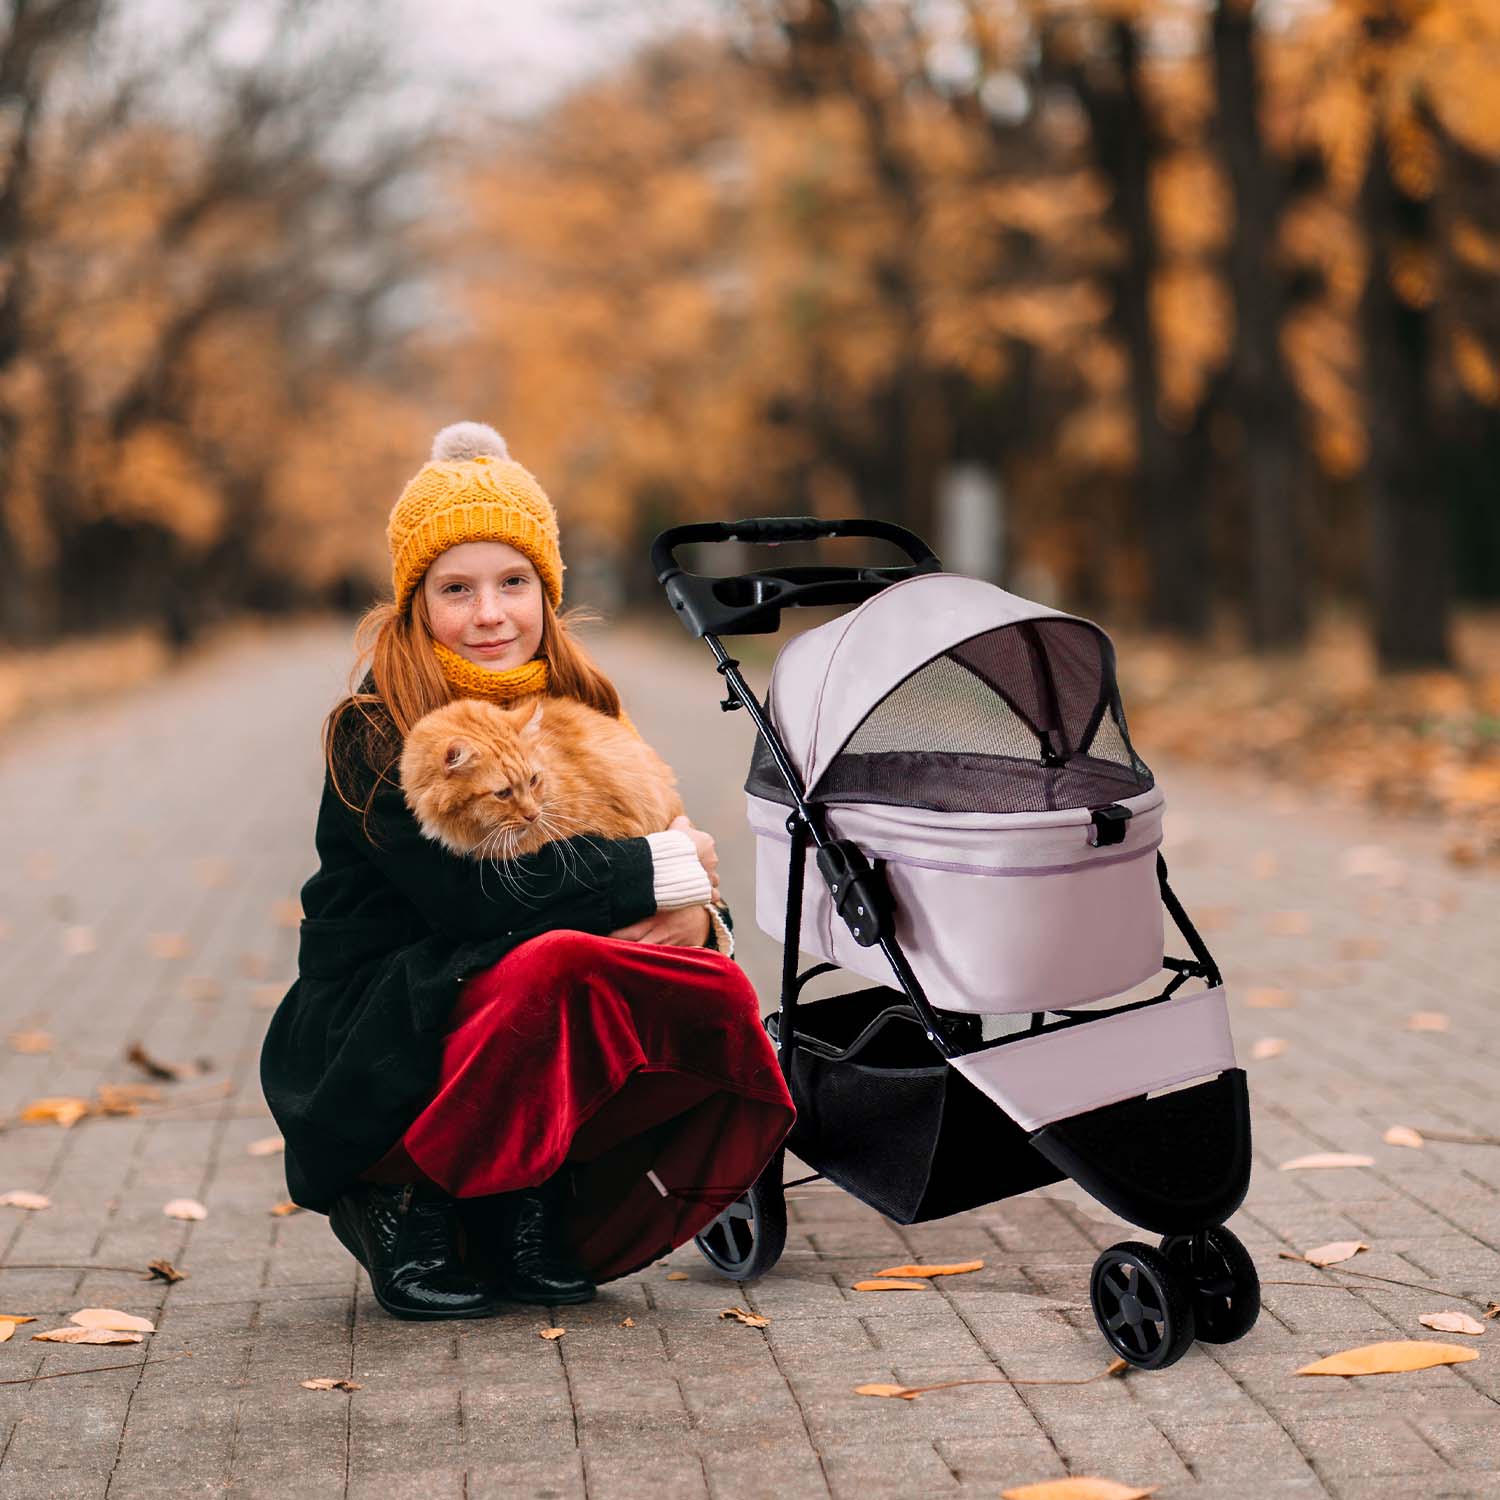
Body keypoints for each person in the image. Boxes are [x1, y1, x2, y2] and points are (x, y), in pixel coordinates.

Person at [259, 422, 794, 1321]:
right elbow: (475, 900)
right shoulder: (376, 728)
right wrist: (661, 870)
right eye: (456, 589)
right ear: (415, 600)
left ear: (546, 591)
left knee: (687, 980)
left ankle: (531, 1191)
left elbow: (659, 841)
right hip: (386, 1022)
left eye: (514, 583)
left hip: (512, 1007)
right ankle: (408, 1198)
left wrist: (702, 916)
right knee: (558, 964)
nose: (490, 614)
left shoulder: (579, 704)